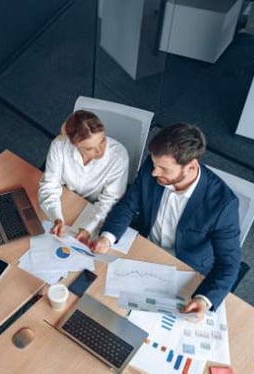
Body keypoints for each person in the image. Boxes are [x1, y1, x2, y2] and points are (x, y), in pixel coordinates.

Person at [91, 123, 241, 319]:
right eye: (154, 164)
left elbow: (229, 264)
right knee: (103, 303)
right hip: (144, 249)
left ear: (191, 166)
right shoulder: (153, 166)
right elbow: (128, 205)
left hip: (185, 267)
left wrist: (204, 299)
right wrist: (107, 237)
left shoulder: (223, 204)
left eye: (163, 168)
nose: (154, 172)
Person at [38, 109, 129, 242]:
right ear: (74, 145)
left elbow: (110, 201)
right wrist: (56, 217)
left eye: (102, 141)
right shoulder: (59, 146)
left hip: (96, 209)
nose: (100, 151)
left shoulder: (118, 157)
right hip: (67, 200)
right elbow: (49, 185)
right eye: (90, 148)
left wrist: (88, 229)